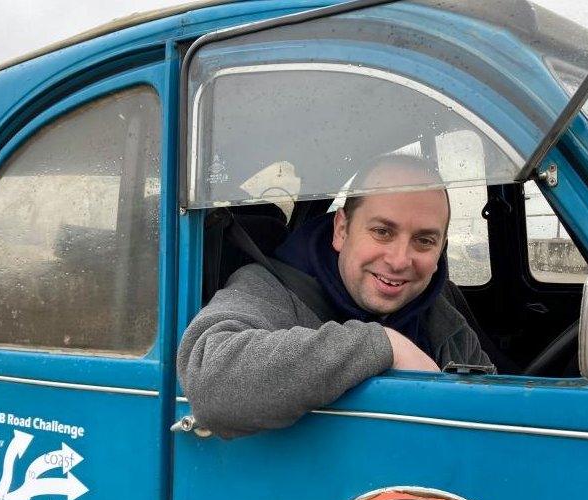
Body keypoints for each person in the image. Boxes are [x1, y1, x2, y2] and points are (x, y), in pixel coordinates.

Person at [177, 155, 492, 438]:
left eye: (424, 240)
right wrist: (384, 344)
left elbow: (492, 424)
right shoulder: (270, 289)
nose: (399, 260)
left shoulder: (442, 320)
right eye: (382, 232)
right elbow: (209, 381)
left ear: (440, 251)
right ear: (342, 229)